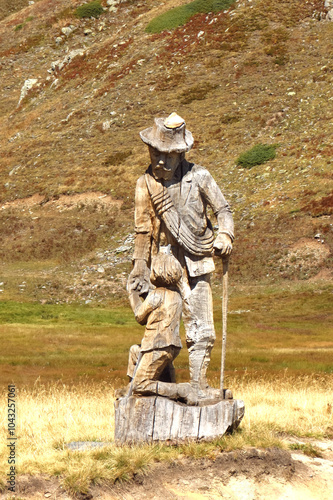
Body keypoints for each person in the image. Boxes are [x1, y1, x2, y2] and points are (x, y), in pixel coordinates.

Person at [127, 112, 234, 400]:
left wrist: (225, 235)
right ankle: (155, 384)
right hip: (165, 267)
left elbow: (223, 211)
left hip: (198, 260)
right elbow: (143, 229)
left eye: (168, 155)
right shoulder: (145, 184)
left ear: (181, 153)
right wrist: (139, 267)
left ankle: (198, 387)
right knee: (162, 330)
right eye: (155, 153)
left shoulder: (200, 176)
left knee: (202, 329)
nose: (160, 161)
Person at [127, 251, 196, 404]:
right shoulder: (176, 295)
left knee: (141, 384)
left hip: (156, 345)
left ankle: (180, 390)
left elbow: (140, 316)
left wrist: (133, 296)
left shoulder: (157, 295)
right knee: (134, 351)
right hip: (170, 346)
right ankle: (130, 389)